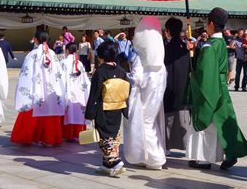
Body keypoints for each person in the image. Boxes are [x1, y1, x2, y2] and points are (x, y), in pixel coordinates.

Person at [187, 7, 247, 170]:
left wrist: (193, 75)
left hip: (211, 87)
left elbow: (204, 73)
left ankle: (204, 159)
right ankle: (231, 153)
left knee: (208, 123)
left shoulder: (209, 46)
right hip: (221, 86)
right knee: (224, 122)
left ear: (210, 23)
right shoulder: (221, 43)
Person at [123, 16, 167, 170]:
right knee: (151, 121)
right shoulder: (160, 61)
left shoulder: (139, 55)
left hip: (142, 95)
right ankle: (151, 155)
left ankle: (154, 157)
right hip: (156, 93)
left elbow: (135, 78)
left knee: (144, 123)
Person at [11, 30, 65, 147]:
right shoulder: (52, 54)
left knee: (32, 112)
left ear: (36, 40)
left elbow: (27, 73)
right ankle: (50, 139)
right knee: (50, 112)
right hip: (50, 90)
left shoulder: (32, 54)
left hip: (37, 88)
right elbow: (58, 73)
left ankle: (27, 137)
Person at [84, 41, 129, 176]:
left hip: (103, 109)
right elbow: (125, 91)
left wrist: (89, 114)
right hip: (117, 108)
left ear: (101, 55)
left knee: (104, 136)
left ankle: (114, 162)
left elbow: (94, 94)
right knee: (113, 134)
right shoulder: (121, 70)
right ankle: (106, 165)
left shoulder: (101, 71)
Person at [163, 17, 191, 154]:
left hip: (169, 88)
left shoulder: (166, 49)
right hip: (184, 87)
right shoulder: (186, 49)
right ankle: (186, 147)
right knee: (183, 120)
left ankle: (167, 147)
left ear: (167, 31)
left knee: (168, 120)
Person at [60, 42, 90, 142]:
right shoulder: (80, 63)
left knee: (69, 112)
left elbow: (60, 79)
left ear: (67, 50)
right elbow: (85, 80)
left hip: (68, 92)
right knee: (78, 112)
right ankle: (78, 135)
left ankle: (69, 135)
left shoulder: (63, 63)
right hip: (79, 92)